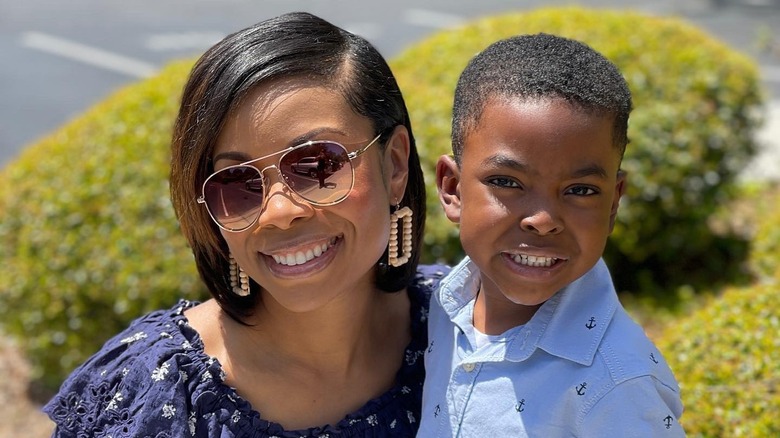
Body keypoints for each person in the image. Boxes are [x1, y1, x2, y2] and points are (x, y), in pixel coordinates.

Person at [44, 12, 448, 437]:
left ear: (396, 165)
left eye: (316, 165)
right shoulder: (143, 395)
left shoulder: (474, 329)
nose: (278, 211)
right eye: (236, 185)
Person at [418, 33, 685, 437]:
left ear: (613, 203)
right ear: (452, 189)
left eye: (580, 190)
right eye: (507, 181)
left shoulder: (618, 384)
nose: (543, 219)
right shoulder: (438, 305)